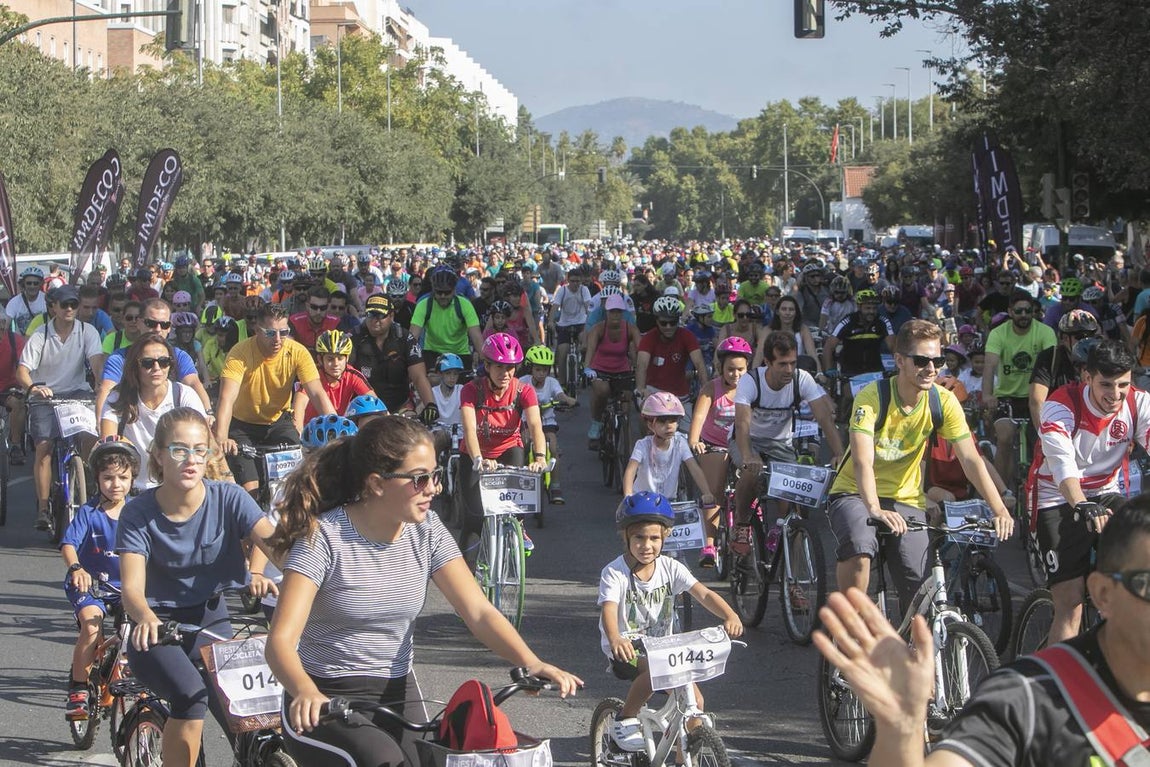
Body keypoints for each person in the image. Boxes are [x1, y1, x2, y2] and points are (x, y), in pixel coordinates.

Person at [265, 416, 581, 765]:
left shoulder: (427, 530)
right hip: (322, 697)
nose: (433, 488)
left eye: (434, 475)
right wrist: (306, 692)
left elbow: (478, 611)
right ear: (376, 484)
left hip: (397, 690)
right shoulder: (323, 538)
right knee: (381, 759)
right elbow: (280, 641)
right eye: (419, 479)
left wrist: (531, 662)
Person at [814, 500, 1150, 767]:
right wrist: (900, 728)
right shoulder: (1026, 701)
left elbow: (974, 458)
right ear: (1103, 593)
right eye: (1146, 584)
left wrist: (1001, 503)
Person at [115, 408, 282, 767]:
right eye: (179, 450)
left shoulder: (230, 497)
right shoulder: (137, 513)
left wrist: (319, 582)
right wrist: (144, 617)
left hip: (210, 619)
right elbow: (131, 588)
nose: (191, 460)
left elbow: (279, 548)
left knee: (252, 720)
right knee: (191, 698)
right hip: (156, 630)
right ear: (158, 456)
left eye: (199, 449)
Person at [825, 320, 1013, 609]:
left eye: (937, 360)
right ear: (899, 360)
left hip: (905, 498)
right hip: (855, 493)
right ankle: (850, 624)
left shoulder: (943, 401)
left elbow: (971, 459)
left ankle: (915, 648)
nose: (931, 368)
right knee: (860, 548)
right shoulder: (872, 398)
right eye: (922, 360)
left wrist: (999, 508)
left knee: (921, 592)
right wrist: (875, 509)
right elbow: (862, 462)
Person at [598, 491, 743, 752]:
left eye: (654, 538)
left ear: (665, 536)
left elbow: (704, 594)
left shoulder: (670, 567)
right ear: (626, 537)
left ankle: (681, 757)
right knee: (656, 671)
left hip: (663, 647)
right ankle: (625, 718)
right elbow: (608, 609)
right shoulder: (614, 572)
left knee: (695, 702)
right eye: (639, 537)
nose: (647, 545)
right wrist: (615, 638)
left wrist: (729, 615)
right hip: (627, 649)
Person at [1034, 339, 1150, 643]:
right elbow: (1062, 465)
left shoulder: (1139, 403)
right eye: (1106, 385)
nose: (1115, 395)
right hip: (1057, 497)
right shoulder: (1060, 405)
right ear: (1088, 378)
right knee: (1070, 604)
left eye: (1123, 384)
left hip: (1107, 490)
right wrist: (1081, 504)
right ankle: (1057, 686)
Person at [215, 303, 336, 496]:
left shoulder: (297, 351)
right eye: (270, 333)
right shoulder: (239, 353)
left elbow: (317, 394)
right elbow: (226, 398)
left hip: (279, 422)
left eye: (284, 332)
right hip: (243, 427)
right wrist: (221, 438)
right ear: (256, 330)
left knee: (296, 483)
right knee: (250, 489)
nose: (278, 340)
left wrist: (336, 429)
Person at [731, 332, 842, 540]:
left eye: (792, 363)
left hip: (781, 444)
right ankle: (742, 522)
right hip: (748, 440)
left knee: (792, 504)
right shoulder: (750, 381)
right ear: (767, 362)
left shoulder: (802, 379)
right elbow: (742, 424)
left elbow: (825, 419)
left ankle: (789, 550)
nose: (789, 370)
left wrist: (839, 454)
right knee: (750, 473)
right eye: (782, 364)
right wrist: (748, 456)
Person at [59, 436, 138, 720]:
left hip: (126, 587)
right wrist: (76, 569)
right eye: (108, 478)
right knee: (92, 627)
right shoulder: (89, 513)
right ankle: (78, 688)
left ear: (132, 478)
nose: (115, 484)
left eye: (123, 477)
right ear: (97, 479)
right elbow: (68, 544)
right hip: (91, 585)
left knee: (143, 632)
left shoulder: (139, 512)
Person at [18, 286, 105, 530]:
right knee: (44, 447)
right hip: (45, 395)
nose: (69, 309)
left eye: (73, 305)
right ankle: (43, 509)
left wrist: (99, 382)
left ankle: (93, 490)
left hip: (77, 393)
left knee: (90, 437)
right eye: (64, 304)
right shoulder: (40, 334)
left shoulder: (87, 331)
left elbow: (97, 361)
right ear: (52, 307)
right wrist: (34, 387)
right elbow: (22, 371)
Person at [458, 333, 548, 548]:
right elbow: (469, 428)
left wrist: (540, 457)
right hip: (475, 453)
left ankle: (518, 528)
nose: (505, 373)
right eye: (499, 367)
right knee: (474, 515)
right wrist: (478, 459)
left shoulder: (524, 391)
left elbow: (535, 425)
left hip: (509, 448)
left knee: (512, 505)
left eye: (510, 367)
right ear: (487, 366)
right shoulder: (471, 390)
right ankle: (469, 563)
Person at [100, 333, 208, 491]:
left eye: (164, 362)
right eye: (148, 363)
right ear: (135, 366)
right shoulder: (117, 397)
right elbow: (108, 442)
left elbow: (206, 442)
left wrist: (228, 481)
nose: (157, 368)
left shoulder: (183, 395)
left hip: (175, 490)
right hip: (131, 491)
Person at [687, 336, 753, 567]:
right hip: (715, 444)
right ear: (721, 368)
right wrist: (695, 440)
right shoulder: (710, 388)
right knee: (713, 492)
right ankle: (710, 544)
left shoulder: (753, 388)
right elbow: (699, 417)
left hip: (744, 444)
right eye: (731, 370)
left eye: (741, 370)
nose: (736, 375)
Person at [984, 291, 1057, 486]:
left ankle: (1046, 487)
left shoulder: (1045, 332)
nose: (1024, 315)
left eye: (1028, 310)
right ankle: (1001, 492)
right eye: (1018, 311)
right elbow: (990, 365)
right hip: (1007, 398)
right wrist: (987, 395)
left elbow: (1052, 364)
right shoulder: (998, 333)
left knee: (1044, 441)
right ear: (1010, 312)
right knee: (1005, 438)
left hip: (1037, 397)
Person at [622, 392, 714, 511]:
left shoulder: (680, 443)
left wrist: (706, 492)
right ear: (650, 425)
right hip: (642, 502)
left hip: (668, 503)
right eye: (662, 421)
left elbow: (694, 468)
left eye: (673, 420)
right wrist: (628, 497)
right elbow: (630, 471)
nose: (669, 426)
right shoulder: (642, 445)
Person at [347, 294, 436, 417]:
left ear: (391, 316)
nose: (375, 320)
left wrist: (430, 405)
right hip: (363, 408)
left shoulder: (405, 338)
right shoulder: (353, 338)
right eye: (370, 315)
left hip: (400, 407)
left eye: (380, 316)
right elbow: (343, 373)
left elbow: (419, 377)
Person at [520, 345, 577, 505]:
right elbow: (513, 394)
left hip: (547, 423)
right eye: (538, 370)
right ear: (531, 368)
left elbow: (559, 394)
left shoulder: (551, 382)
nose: (541, 374)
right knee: (523, 444)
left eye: (545, 370)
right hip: (527, 422)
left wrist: (566, 399)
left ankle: (555, 487)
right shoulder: (523, 382)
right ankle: (521, 478)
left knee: (552, 449)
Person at [585, 293, 641, 448]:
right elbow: (590, 351)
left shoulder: (630, 329)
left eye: (618, 312)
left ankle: (625, 440)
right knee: (602, 391)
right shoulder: (598, 329)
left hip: (622, 370)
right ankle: (596, 424)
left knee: (626, 403)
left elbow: (641, 349)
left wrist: (641, 367)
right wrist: (587, 369)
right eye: (612, 312)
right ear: (607, 312)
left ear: (623, 313)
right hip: (599, 370)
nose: (615, 315)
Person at [634, 297, 708, 413]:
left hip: (680, 394)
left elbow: (699, 363)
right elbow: (641, 365)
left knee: (689, 431)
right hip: (654, 391)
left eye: (672, 322)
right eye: (663, 323)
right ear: (657, 321)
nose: (668, 327)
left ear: (678, 320)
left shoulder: (687, 336)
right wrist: (641, 389)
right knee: (647, 417)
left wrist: (705, 389)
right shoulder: (648, 338)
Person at [291, 329, 372, 432]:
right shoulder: (312, 375)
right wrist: (299, 438)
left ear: (347, 358)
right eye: (330, 359)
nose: (336, 363)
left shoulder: (353, 375)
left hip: (339, 430)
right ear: (320, 360)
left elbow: (374, 403)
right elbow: (299, 408)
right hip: (311, 432)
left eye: (340, 358)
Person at [410, 266, 485, 372]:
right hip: (432, 352)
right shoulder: (424, 305)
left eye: (447, 292)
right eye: (439, 292)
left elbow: (477, 337)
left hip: (460, 353)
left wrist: (485, 362)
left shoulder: (464, 305)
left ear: (454, 290)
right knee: (431, 381)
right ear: (433, 290)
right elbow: (413, 336)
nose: (443, 296)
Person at [7, 266, 46, 334]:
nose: (32, 286)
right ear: (24, 284)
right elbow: (6, 322)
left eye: (35, 283)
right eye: (29, 283)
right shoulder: (14, 302)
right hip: (21, 342)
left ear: (41, 284)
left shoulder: (46, 300)